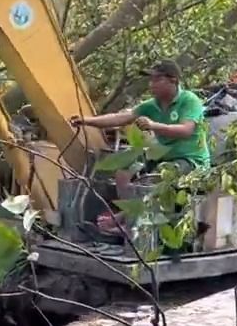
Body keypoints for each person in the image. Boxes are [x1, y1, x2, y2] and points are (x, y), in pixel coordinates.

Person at [70, 60, 211, 233]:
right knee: (123, 168)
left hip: (190, 160)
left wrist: (154, 126)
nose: (151, 85)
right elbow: (120, 118)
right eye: (150, 80)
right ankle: (129, 216)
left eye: (156, 80)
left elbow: (186, 130)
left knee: (158, 177)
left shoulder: (189, 100)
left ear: (173, 80)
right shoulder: (151, 105)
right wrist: (86, 121)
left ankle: (124, 220)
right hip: (162, 155)